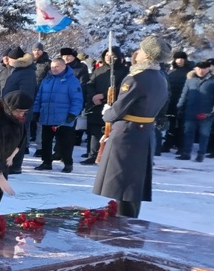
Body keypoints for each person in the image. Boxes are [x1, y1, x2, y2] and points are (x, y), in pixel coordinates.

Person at [93, 35, 171, 218]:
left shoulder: (136, 78)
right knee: (134, 183)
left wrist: (108, 112)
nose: (138, 52)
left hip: (127, 133)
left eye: (142, 49)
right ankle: (129, 219)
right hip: (145, 132)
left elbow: (118, 109)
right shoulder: (160, 77)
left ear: (148, 55)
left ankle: (125, 223)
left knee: (123, 184)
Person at [33, 57, 84, 173]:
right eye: (52, 67)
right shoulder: (46, 80)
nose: (54, 69)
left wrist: (73, 113)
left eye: (57, 67)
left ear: (64, 66)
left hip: (64, 118)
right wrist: (36, 111)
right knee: (46, 141)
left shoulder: (72, 81)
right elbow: (39, 97)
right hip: (47, 116)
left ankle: (68, 163)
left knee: (65, 143)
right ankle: (46, 162)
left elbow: (77, 99)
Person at [80, 46, 129, 165]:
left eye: (112, 55)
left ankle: (108, 155)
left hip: (113, 105)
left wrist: (103, 96)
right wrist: (93, 96)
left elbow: (121, 89)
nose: (109, 57)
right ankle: (92, 154)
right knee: (94, 131)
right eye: (107, 55)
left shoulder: (125, 72)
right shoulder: (99, 70)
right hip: (96, 105)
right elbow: (90, 84)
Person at [1, 47, 37, 174]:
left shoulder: (26, 73)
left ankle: (15, 165)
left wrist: (17, 110)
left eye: (9, 58)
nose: (7, 60)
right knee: (11, 138)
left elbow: (24, 95)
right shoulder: (18, 71)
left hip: (18, 112)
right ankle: (9, 163)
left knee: (17, 139)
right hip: (10, 110)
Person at [176, 59, 214, 162]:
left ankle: (201, 154)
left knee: (204, 135)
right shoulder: (190, 81)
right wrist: (179, 107)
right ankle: (186, 153)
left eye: (204, 69)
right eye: (199, 68)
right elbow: (184, 95)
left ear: (208, 69)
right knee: (188, 133)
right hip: (190, 111)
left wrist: (211, 113)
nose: (201, 71)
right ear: (195, 69)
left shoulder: (212, 81)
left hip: (206, 114)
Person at [163, 51, 195, 153]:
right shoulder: (171, 71)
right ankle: (168, 143)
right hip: (171, 101)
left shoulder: (191, 71)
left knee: (182, 125)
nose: (179, 61)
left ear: (185, 60)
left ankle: (181, 145)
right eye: (177, 58)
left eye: (182, 58)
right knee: (171, 124)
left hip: (184, 101)